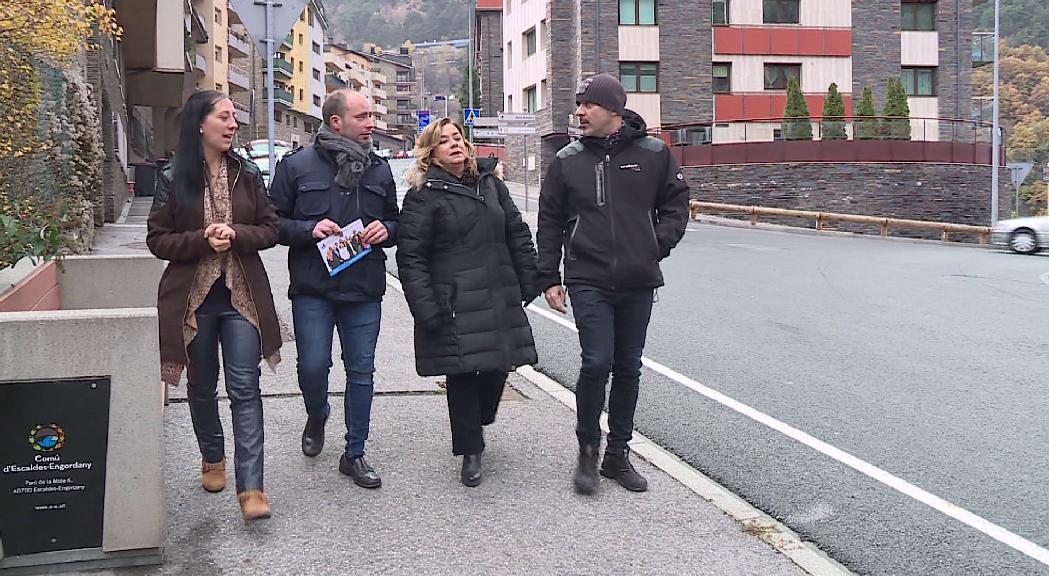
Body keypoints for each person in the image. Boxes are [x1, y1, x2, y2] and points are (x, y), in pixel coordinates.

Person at [536, 74, 690, 495]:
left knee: (627, 367)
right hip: (588, 277)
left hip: (639, 280)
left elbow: (677, 205)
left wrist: (656, 245)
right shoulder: (567, 160)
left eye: (588, 105)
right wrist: (548, 276)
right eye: (578, 105)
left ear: (613, 111)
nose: (579, 113)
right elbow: (548, 222)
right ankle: (588, 448)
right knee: (595, 362)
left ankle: (618, 455)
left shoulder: (655, 153)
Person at [147, 90, 282, 520]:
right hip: (194, 300)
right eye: (224, 117)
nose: (233, 124)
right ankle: (212, 455)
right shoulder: (172, 177)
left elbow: (270, 229)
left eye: (234, 118)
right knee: (202, 386)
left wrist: (237, 235)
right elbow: (157, 240)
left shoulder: (248, 173)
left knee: (245, 387)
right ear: (200, 124)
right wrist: (201, 239)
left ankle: (252, 488)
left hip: (241, 297)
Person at [268, 89, 399, 488]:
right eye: (362, 116)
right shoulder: (296, 167)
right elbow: (272, 223)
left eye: (372, 115)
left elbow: (398, 223)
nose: (371, 122)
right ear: (336, 121)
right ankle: (317, 412)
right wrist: (310, 229)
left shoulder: (379, 169)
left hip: (363, 290)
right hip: (313, 289)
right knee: (312, 367)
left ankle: (354, 453)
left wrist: (386, 230)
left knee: (361, 371)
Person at [397, 118, 538, 487]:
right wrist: (424, 305)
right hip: (453, 297)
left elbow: (516, 231)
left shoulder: (491, 184)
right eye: (444, 141)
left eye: (457, 138)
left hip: (497, 290)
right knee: (461, 373)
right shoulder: (423, 195)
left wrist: (530, 277)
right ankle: (470, 450)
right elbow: (411, 256)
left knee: (498, 366)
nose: (454, 145)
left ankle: (479, 419)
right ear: (432, 153)